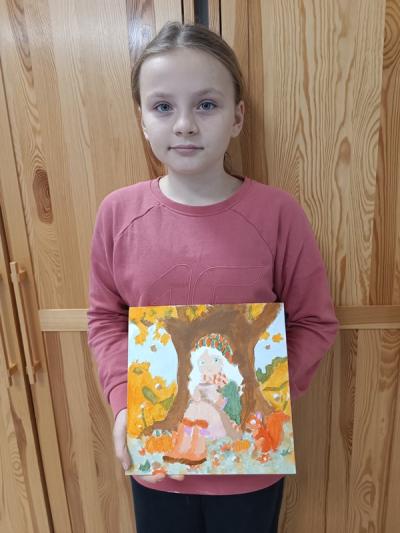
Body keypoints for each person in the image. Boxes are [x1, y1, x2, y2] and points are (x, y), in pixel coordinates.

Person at [87, 20, 339, 533]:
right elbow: (106, 318)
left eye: (206, 104)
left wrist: (265, 398)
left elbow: (315, 322)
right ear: (142, 120)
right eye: (163, 107)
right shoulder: (117, 214)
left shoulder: (277, 214)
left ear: (238, 116)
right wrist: (122, 403)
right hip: (158, 462)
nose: (184, 125)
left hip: (251, 466)